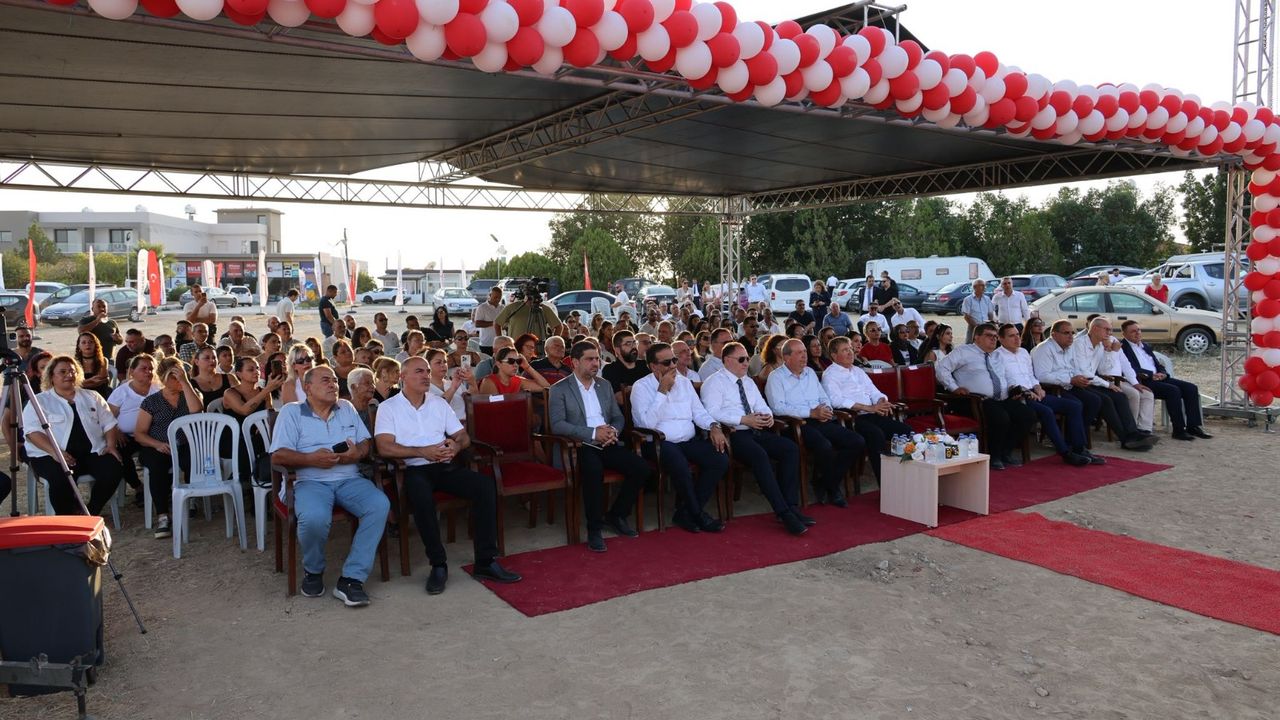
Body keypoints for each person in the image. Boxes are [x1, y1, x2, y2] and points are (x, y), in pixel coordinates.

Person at [374, 356, 521, 593]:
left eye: (426, 371)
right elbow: (384, 447)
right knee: (421, 496)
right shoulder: (388, 407)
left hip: (444, 465)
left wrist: (456, 446)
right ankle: (438, 564)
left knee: (485, 486)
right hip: (412, 468)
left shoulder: (438, 403)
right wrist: (421, 451)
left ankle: (485, 561)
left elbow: (462, 436)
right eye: (419, 371)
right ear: (403, 377)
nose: (425, 376)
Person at [269, 365, 389, 607]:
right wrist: (310, 459)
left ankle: (352, 578)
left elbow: (365, 442)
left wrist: (356, 453)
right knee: (314, 517)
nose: (333, 384)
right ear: (307, 387)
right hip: (309, 481)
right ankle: (313, 571)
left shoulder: (346, 407)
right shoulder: (291, 412)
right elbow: (278, 456)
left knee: (379, 505)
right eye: (326, 380)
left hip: (349, 478)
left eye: (334, 380)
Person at [698, 341, 811, 535]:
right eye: (741, 359)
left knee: (790, 448)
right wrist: (743, 419)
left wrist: (767, 416)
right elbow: (711, 412)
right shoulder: (714, 382)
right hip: (733, 433)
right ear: (727, 360)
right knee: (759, 456)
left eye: (747, 359)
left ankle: (791, 505)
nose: (746, 363)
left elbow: (761, 404)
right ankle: (783, 512)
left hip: (756, 429)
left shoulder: (748, 381)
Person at [548, 341, 650, 552]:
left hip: (607, 442)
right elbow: (557, 424)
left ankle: (617, 515)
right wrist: (594, 433)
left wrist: (612, 430)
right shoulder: (559, 389)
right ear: (575, 362)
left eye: (597, 359)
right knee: (593, 471)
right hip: (580, 445)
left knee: (641, 468)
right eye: (590, 359)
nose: (596, 363)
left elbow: (617, 417)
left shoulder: (604, 385)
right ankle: (594, 528)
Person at [630, 342, 729, 533]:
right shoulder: (641, 387)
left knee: (720, 459)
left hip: (687, 440)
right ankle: (697, 514)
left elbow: (699, 412)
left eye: (674, 360)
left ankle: (685, 512)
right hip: (659, 442)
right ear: (653, 366)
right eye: (667, 362)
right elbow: (646, 425)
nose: (673, 366)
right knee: (680, 465)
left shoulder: (684, 382)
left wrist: (713, 426)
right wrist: (662, 391)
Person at [1030, 319, 1156, 452]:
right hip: (1060, 387)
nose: (1071, 336)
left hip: (1080, 382)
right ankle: (1120, 438)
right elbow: (1045, 376)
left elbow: (1102, 369)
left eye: (1072, 333)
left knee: (1119, 396)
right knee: (1099, 400)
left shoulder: (1089, 346)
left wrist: (1109, 352)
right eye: (1066, 333)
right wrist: (1103, 384)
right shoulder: (1065, 346)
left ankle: (1132, 434)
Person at [765, 338, 864, 507]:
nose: (804, 356)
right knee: (824, 446)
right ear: (787, 357)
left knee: (856, 441)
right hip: (796, 424)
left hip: (820, 418)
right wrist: (810, 412)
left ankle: (825, 482)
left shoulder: (810, 373)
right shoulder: (776, 377)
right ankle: (833, 489)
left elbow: (824, 397)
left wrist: (826, 409)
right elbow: (778, 408)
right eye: (799, 353)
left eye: (805, 351)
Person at [24, 355, 126, 518]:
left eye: (72, 371)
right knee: (60, 479)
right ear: (51, 376)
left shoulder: (92, 396)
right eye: (62, 372)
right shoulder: (39, 401)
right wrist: (56, 452)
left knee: (114, 469)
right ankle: (67, 518)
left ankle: (90, 513)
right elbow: (32, 432)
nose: (69, 375)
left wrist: (111, 445)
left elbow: (109, 423)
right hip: (51, 454)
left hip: (92, 451)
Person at [934, 324, 1037, 471]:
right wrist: (954, 387)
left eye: (995, 336)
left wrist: (1014, 388)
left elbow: (1006, 377)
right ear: (977, 337)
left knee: (1028, 415)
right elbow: (941, 368)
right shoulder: (964, 352)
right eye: (989, 336)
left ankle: (1006, 451)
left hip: (1001, 398)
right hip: (975, 400)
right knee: (1001, 417)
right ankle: (994, 456)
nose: (993, 339)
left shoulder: (997, 355)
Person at [995, 324, 1095, 466]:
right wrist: (1027, 391)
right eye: (1011, 336)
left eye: (1017, 334)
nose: (1017, 338)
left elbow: (1031, 375)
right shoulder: (997, 356)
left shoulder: (1023, 352)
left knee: (1074, 406)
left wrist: (1038, 387)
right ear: (1001, 339)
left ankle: (1079, 448)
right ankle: (1065, 453)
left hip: (1035, 391)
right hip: (1019, 396)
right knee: (1046, 412)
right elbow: (1004, 381)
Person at [821, 336, 914, 483]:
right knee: (876, 435)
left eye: (850, 349)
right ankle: (885, 483)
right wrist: (868, 407)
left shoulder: (858, 370)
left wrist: (881, 400)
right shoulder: (830, 374)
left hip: (871, 413)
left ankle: (907, 475)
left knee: (906, 431)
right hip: (851, 418)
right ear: (834, 355)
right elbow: (836, 401)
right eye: (845, 350)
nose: (850, 352)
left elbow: (873, 391)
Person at [134, 357, 204, 539]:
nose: (178, 380)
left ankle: (191, 498)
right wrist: (157, 444)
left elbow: (196, 410)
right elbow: (139, 433)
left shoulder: (189, 393)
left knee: (193, 459)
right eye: (174, 377)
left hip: (184, 443)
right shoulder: (151, 402)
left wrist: (185, 382)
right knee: (157, 467)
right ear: (163, 378)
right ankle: (163, 515)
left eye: (181, 375)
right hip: (158, 445)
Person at [1121, 320, 1211, 441]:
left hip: (1158, 378)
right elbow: (1129, 368)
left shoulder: (1145, 346)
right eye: (1133, 331)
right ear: (1124, 334)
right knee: (1173, 391)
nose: (1137, 333)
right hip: (1143, 381)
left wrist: (1162, 373)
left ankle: (1193, 426)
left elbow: (1158, 364)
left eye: (1139, 330)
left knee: (1191, 388)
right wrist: (1150, 375)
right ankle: (1179, 430)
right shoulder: (1123, 348)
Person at [478, 346, 550, 395]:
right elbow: (494, 408)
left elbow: (546, 387)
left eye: (518, 361)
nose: (515, 365)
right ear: (498, 364)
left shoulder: (517, 381)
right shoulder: (489, 382)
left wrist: (527, 367)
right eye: (511, 361)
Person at [425, 347, 472, 422]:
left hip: (466, 425)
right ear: (428, 366)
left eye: (445, 362)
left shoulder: (454, 382)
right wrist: (453, 388)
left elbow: (473, 402)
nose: (443, 365)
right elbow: (437, 409)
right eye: (438, 362)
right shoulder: (424, 388)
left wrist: (472, 382)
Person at [601, 330, 649, 401]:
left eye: (634, 343)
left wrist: (631, 389)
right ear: (617, 350)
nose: (633, 347)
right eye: (628, 344)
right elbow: (621, 399)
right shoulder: (610, 370)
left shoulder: (645, 365)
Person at [495, 288, 561, 339]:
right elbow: (497, 323)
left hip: (538, 348)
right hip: (516, 347)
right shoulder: (512, 307)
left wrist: (552, 343)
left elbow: (559, 326)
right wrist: (502, 342)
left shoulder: (543, 309)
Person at [75, 331, 112, 400]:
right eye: (83, 342)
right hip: (80, 394)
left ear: (96, 345)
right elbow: (73, 383)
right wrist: (90, 380)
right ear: (79, 346)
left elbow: (99, 381)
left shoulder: (103, 360)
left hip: (100, 394)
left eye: (91, 342)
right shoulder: (74, 362)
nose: (87, 344)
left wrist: (82, 383)